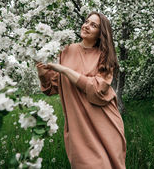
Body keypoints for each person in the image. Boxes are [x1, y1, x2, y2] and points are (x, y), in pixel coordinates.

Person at [36, 11, 126, 169]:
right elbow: (52, 89)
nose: (86, 26)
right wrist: (43, 75)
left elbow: (98, 89)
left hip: (104, 123)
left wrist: (64, 70)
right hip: (79, 127)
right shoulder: (66, 50)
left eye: (94, 25)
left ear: (100, 33)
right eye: (86, 22)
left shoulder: (105, 56)